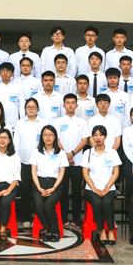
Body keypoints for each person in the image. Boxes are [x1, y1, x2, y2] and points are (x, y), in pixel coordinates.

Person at [53, 94, 90, 227]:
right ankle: (63, 217)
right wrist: (66, 156)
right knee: (62, 191)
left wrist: (72, 154)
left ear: (76, 105)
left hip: (78, 161)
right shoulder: (58, 122)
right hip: (62, 162)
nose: (70, 105)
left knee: (76, 192)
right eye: (67, 103)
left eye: (72, 103)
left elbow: (84, 140)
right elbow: (56, 140)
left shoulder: (82, 122)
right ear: (63, 106)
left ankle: (76, 218)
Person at [81, 125, 121, 245]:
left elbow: (116, 172)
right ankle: (101, 231)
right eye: (95, 135)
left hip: (109, 188)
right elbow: (85, 173)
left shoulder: (112, 153)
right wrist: (94, 188)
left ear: (105, 137)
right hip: (91, 189)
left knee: (107, 202)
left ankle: (111, 231)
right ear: (92, 137)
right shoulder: (88, 153)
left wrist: (107, 188)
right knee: (97, 203)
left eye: (101, 135)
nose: (98, 138)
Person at [30, 125, 68, 242]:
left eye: (51, 134)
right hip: (39, 183)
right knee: (38, 205)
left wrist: (53, 188)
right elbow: (33, 172)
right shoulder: (36, 152)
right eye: (45, 134)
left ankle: (55, 231)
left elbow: (61, 173)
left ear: (55, 137)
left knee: (48, 205)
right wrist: (39, 188)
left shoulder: (61, 153)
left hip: (55, 184)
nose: (48, 137)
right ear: (42, 137)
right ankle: (50, 230)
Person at [13, 98, 46, 228]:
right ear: (25, 109)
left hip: (40, 163)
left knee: (38, 191)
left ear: (38, 109)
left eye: (33, 107)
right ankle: (26, 217)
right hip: (24, 162)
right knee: (25, 191)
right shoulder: (20, 124)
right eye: (28, 107)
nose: (31, 109)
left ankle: (39, 218)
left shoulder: (43, 123)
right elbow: (16, 143)